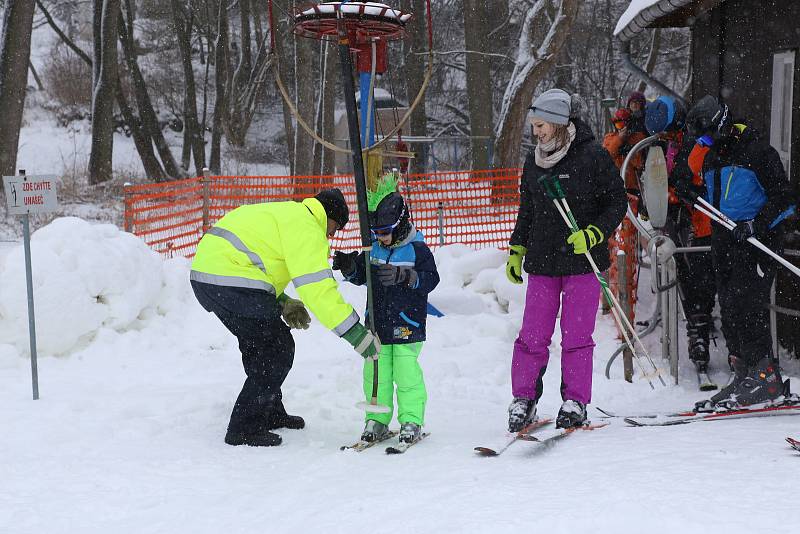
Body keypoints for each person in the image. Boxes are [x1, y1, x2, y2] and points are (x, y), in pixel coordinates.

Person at [190, 189, 381, 447]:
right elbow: (318, 289)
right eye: (336, 227)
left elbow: (256, 260)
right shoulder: (307, 227)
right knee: (276, 348)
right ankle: (244, 427)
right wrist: (355, 333)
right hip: (229, 281)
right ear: (329, 216)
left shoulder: (290, 214)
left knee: (260, 343)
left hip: (210, 277)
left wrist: (281, 301)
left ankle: (267, 411)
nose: (332, 234)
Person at [505, 88, 627, 430]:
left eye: (542, 125)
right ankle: (524, 399)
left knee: (576, 336)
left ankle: (575, 401)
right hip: (543, 260)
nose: (537, 132)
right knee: (532, 335)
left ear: (560, 123)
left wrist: (594, 233)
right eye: (534, 126)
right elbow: (527, 208)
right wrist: (517, 249)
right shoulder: (534, 160)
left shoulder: (592, 156)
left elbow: (617, 202)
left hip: (582, 261)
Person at [677, 95, 796, 408]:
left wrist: (756, 224)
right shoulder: (715, 155)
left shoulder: (758, 152)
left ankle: (765, 376)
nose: (703, 143)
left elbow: (786, 200)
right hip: (725, 239)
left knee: (748, 305)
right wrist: (693, 195)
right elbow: (719, 198)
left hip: (757, 241)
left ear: (721, 126)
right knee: (728, 306)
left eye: (706, 136)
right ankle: (744, 373)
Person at [332, 175, 440, 444]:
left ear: (401, 225)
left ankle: (411, 420)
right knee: (375, 375)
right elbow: (362, 275)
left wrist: (407, 277)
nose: (379, 237)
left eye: (384, 232)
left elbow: (431, 279)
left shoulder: (417, 250)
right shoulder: (375, 249)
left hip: (407, 326)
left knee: (406, 375)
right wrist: (350, 266)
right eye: (376, 232)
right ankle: (376, 419)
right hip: (377, 326)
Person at [645, 95, 717, 375]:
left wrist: (683, 192)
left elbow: (697, 177)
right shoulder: (661, 147)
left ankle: (704, 329)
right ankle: (697, 332)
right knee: (687, 278)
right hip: (679, 221)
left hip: (702, 221)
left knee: (705, 278)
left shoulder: (695, 141)